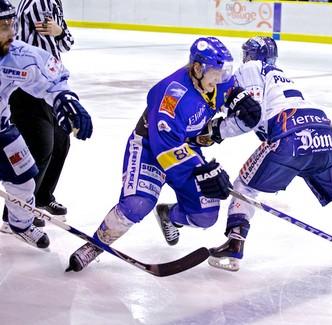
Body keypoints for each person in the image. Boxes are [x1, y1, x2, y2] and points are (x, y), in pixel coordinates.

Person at [199, 36, 332, 272]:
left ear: (251, 56)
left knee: (244, 187)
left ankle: (235, 243)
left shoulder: (250, 69)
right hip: (324, 133)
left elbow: (253, 115)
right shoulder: (280, 75)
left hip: (291, 133)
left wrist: (217, 131)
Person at [66, 37, 261, 272]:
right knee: (137, 204)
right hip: (150, 147)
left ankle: (169, 215)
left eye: (223, 72)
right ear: (198, 69)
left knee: (206, 215)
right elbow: (164, 149)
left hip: (184, 148)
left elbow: (228, 89)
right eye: (216, 72)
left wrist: (240, 98)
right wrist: (202, 171)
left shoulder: (214, 82)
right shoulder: (170, 95)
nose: (220, 78)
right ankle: (96, 244)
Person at [0, 0, 93, 248]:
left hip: (1, 127)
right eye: (3, 26)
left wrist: (65, 99)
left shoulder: (16, 54)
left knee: (23, 178)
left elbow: (48, 75)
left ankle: (19, 224)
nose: (10, 33)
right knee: (41, 146)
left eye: (11, 25)